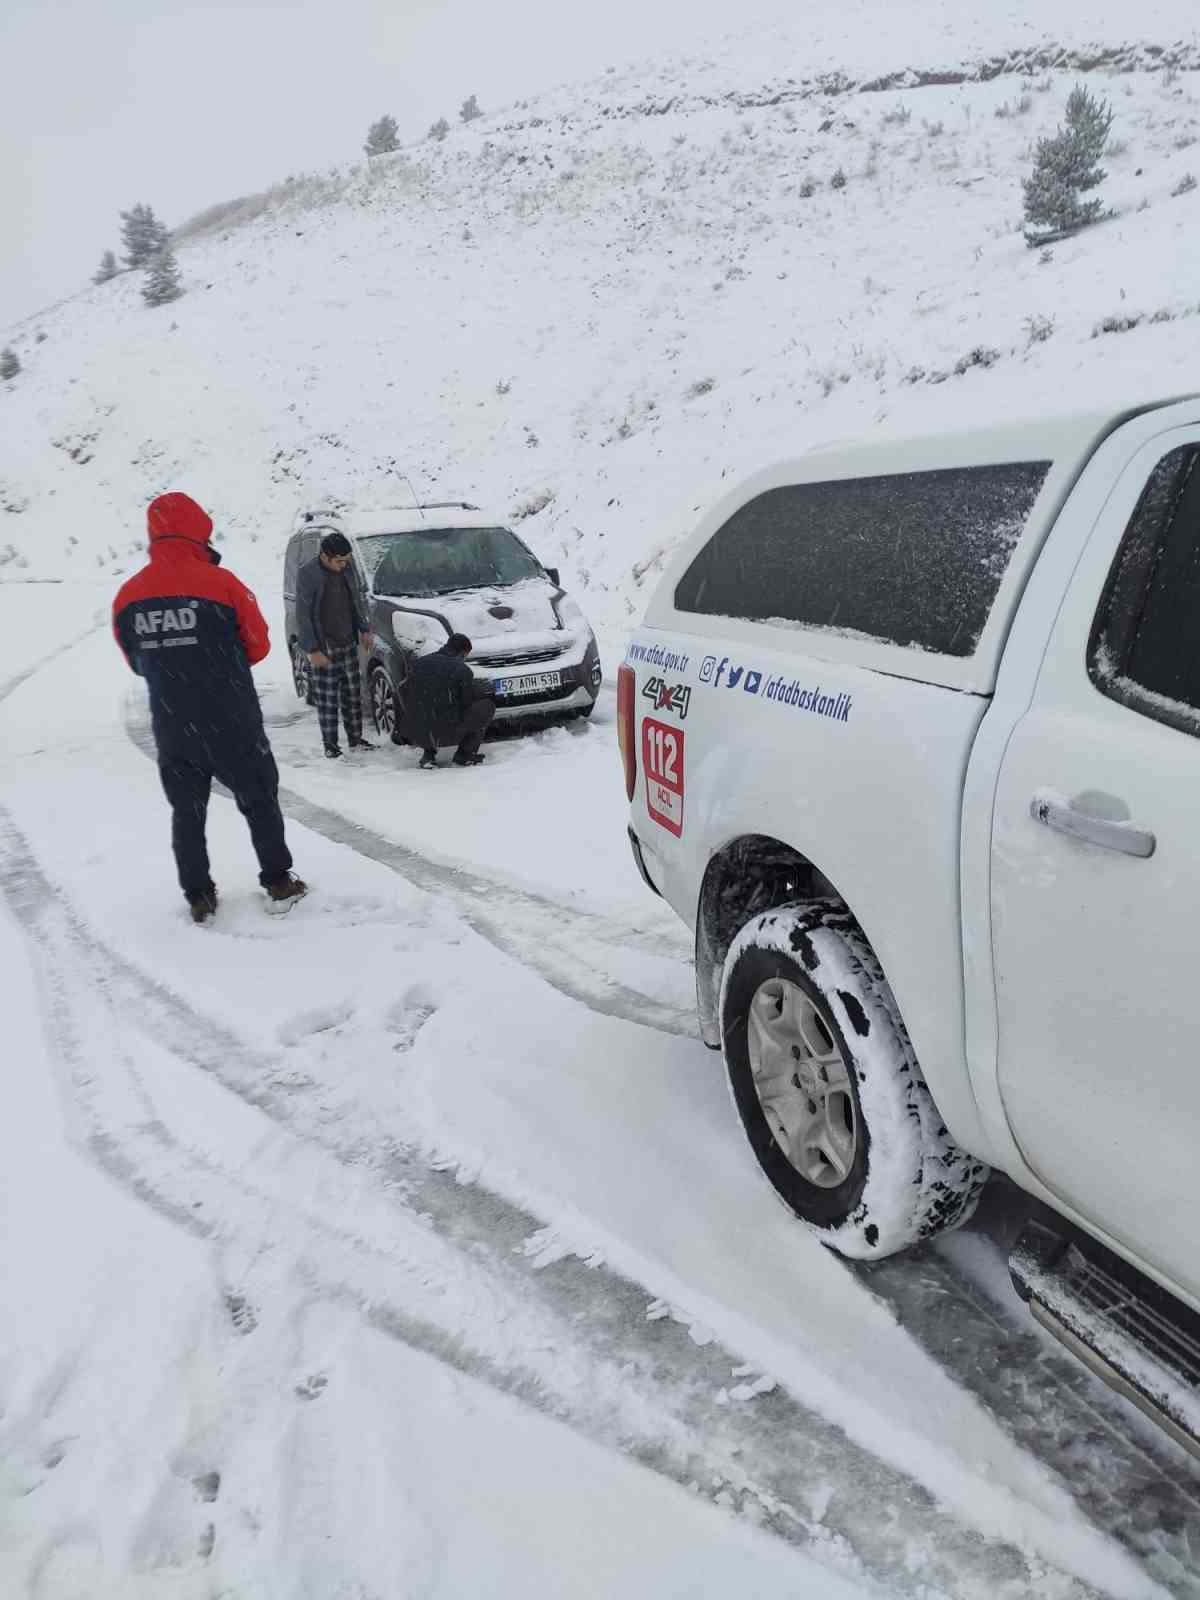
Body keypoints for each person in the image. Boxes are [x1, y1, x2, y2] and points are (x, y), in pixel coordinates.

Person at [113, 492, 306, 922]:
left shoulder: (128, 597)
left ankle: (199, 894)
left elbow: (136, 661)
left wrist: (173, 664)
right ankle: (278, 879)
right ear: (200, 530)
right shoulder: (224, 584)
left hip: (173, 723)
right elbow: (258, 645)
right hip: (231, 720)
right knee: (259, 799)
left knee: (187, 811)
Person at [295, 531, 376, 759]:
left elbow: (356, 601)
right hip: (324, 646)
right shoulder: (308, 574)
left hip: (347, 641)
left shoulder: (346, 568)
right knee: (328, 700)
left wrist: (365, 629)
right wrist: (313, 649)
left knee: (352, 695)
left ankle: (355, 739)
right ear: (325, 556)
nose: (344, 565)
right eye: (339, 561)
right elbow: (303, 615)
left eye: (346, 560)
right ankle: (331, 746)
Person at [400, 633, 495, 768]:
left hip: (416, 731)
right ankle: (464, 755)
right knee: (486, 706)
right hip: (447, 732)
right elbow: (466, 703)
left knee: (428, 709)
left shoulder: (419, 663)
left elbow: (404, 690)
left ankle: (428, 755)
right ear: (462, 652)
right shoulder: (463, 670)